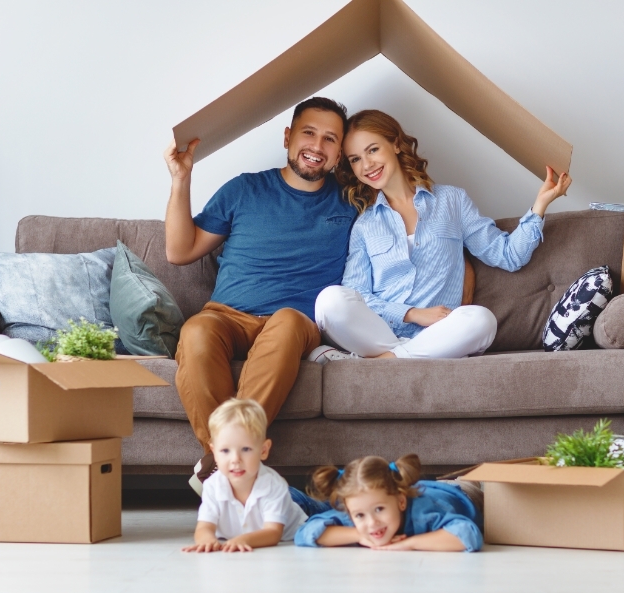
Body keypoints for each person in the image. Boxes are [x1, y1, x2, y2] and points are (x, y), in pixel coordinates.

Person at [163, 97, 357, 492]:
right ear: (287, 137)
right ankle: (229, 468)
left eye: (330, 139)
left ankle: (221, 469)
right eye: (308, 133)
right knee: (197, 330)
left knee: (285, 321)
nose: (317, 147)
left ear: (340, 152)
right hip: (227, 315)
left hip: (296, 321)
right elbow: (179, 252)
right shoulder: (244, 189)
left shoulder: (352, 200)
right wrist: (181, 179)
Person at [309, 109, 572, 362]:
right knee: (329, 301)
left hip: (438, 335)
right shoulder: (364, 225)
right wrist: (411, 314)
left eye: (373, 150)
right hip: (378, 334)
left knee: (482, 320)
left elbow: (508, 256)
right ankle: (401, 356)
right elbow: (358, 294)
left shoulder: (452, 201)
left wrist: (540, 205)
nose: (367, 165)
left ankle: (383, 362)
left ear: (396, 144)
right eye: (355, 159)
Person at [182, 399, 307, 553]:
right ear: (213, 452)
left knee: (328, 508)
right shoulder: (213, 485)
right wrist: (207, 540)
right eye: (225, 451)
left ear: (263, 450)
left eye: (246, 449)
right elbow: (204, 527)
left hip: (299, 513)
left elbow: (273, 533)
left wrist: (244, 539)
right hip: (283, 502)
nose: (235, 459)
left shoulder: (274, 484)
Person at [292, 454, 483, 552]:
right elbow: (304, 533)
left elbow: (469, 535)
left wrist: (408, 543)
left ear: (401, 502)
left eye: (379, 509)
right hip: (419, 488)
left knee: (469, 484)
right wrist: (358, 535)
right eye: (359, 515)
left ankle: (468, 478)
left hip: (458, 494)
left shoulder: (425, 514)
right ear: (350, 513)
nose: (372, 522)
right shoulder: (360, 513)